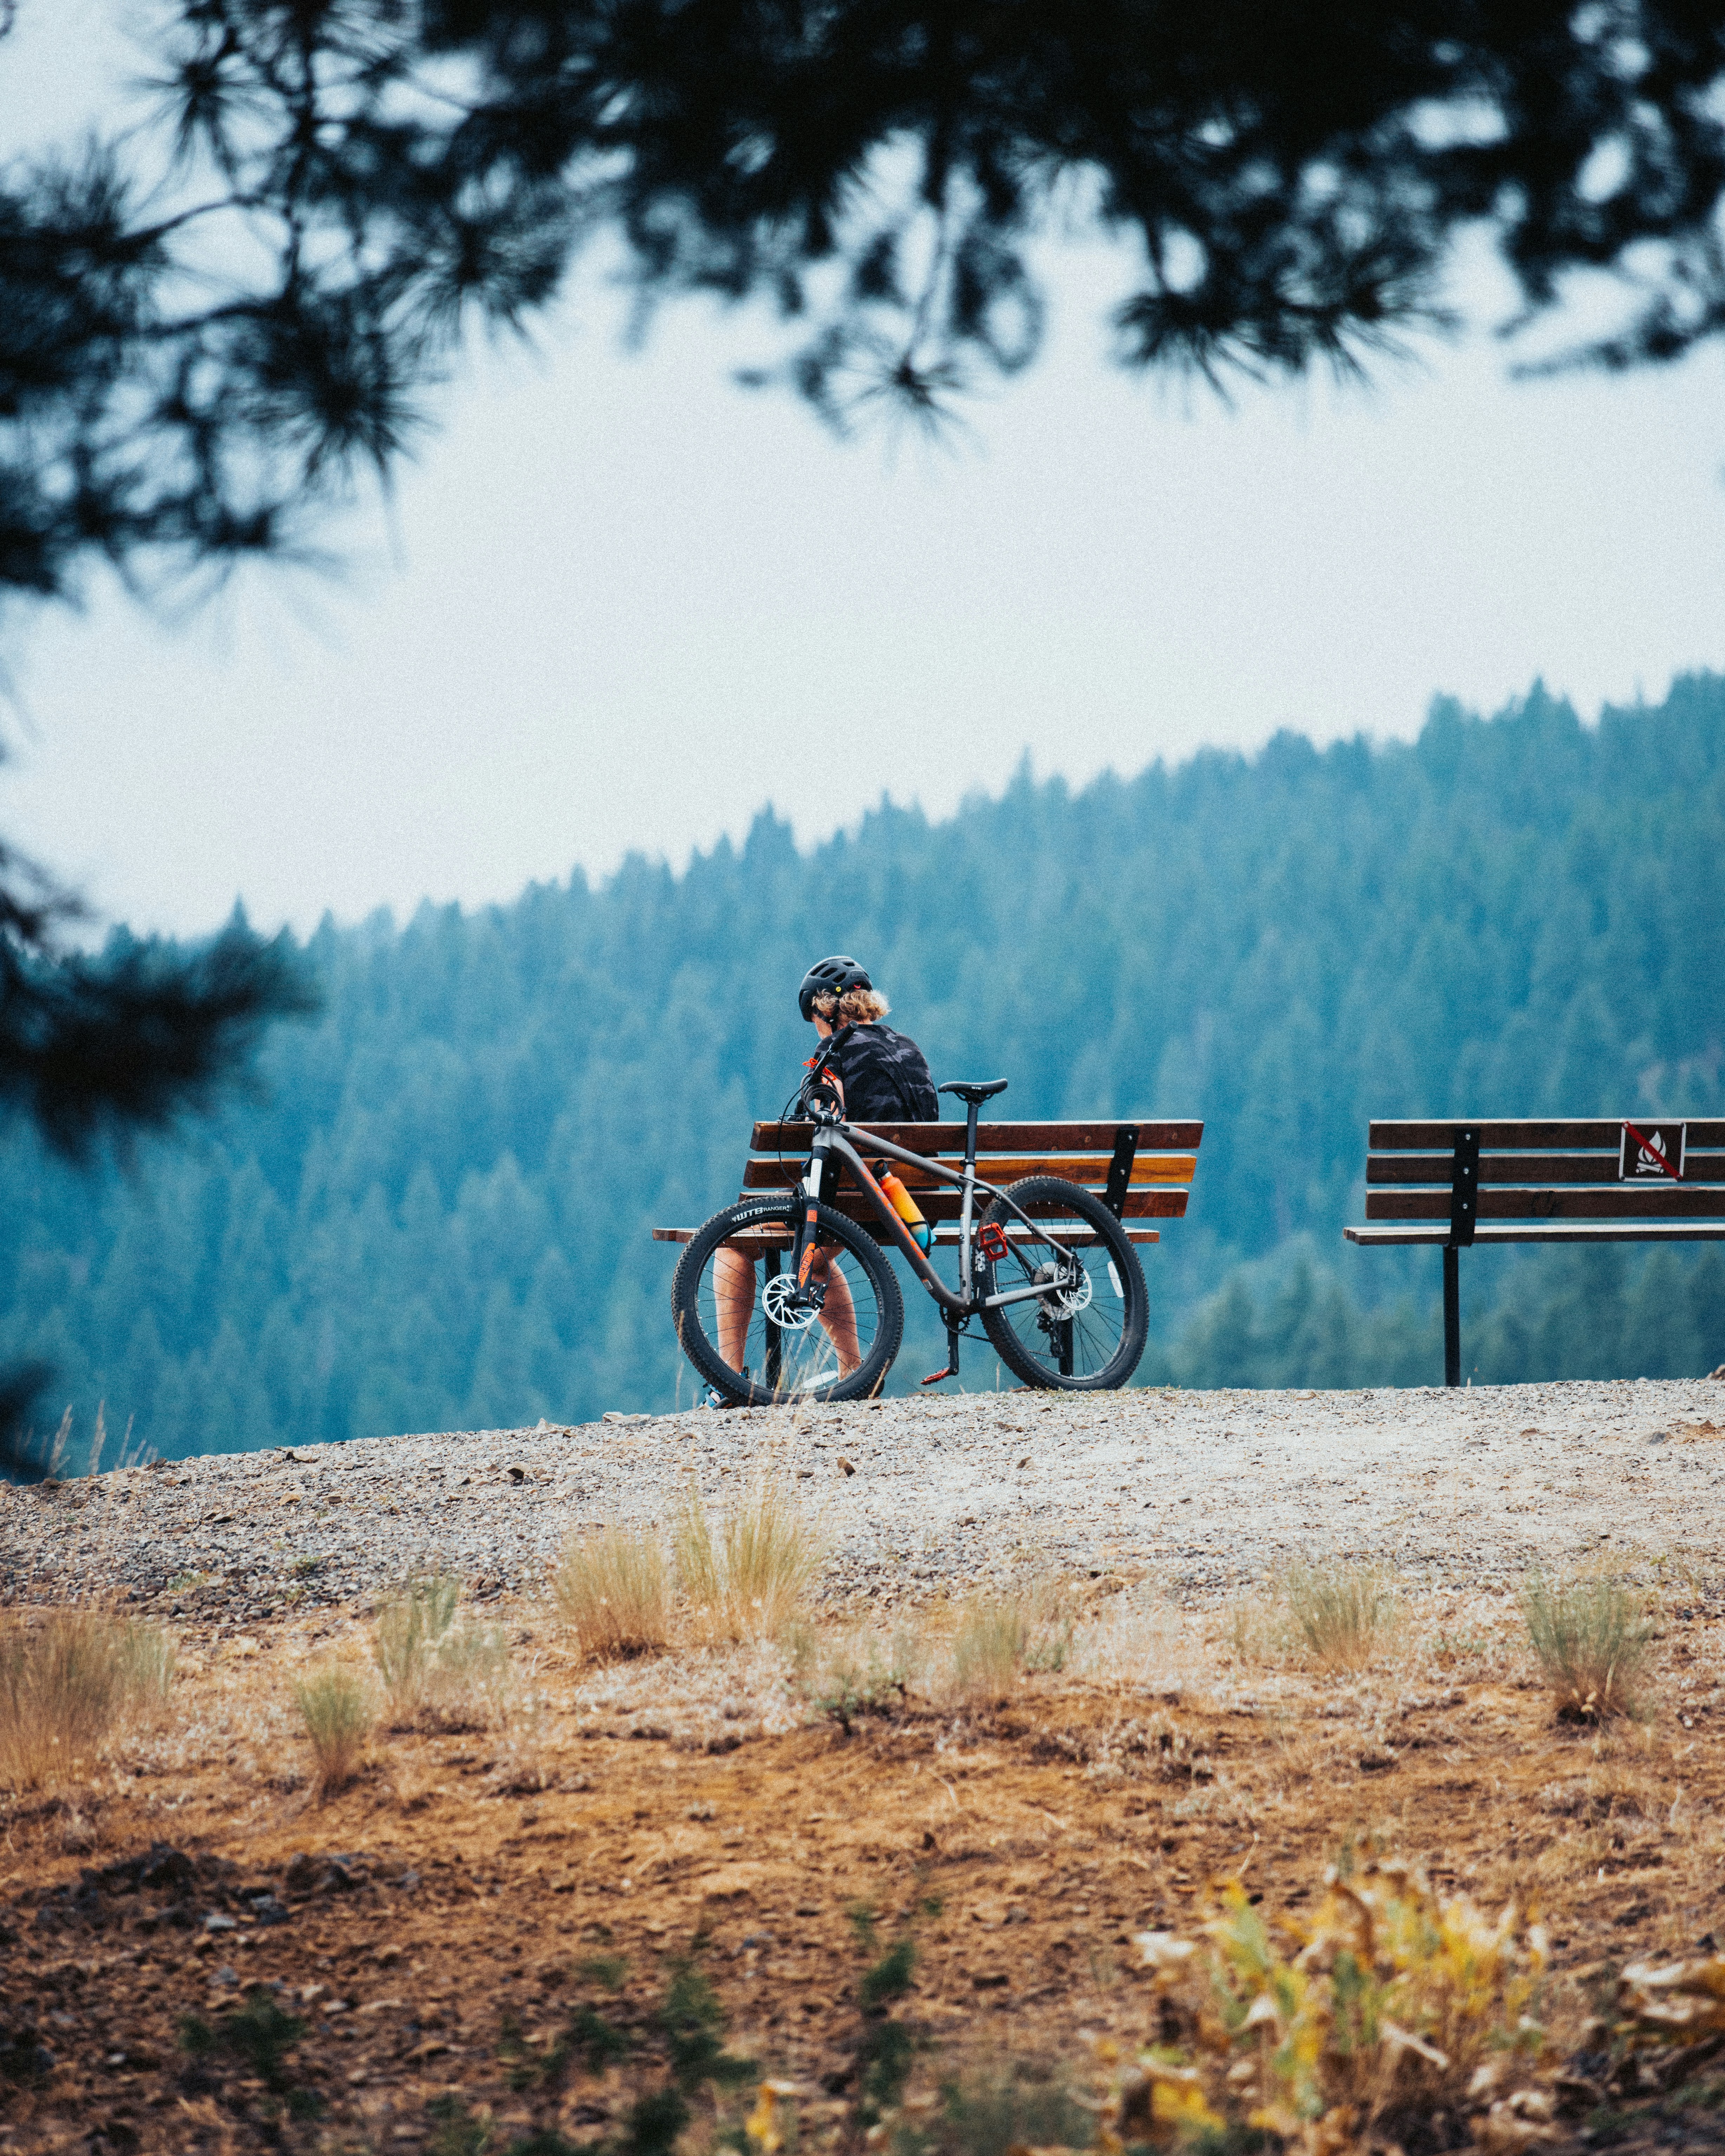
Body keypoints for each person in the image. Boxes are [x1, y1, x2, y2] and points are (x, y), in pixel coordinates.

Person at [712, 958, 937, 1388]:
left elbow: (816, 1126)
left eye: (813, 1017)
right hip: (914, 1205)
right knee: (817, 1256)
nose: (814, 1027)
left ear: (826, 1010)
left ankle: (727, 1381)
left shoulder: (833, 1049)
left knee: (731, 1246)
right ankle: (857, 1373)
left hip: (850, 1202)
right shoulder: (911, 1049)